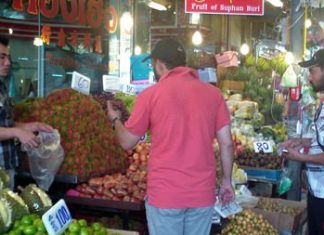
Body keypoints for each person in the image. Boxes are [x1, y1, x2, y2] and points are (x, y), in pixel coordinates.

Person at [107, 38, 234, 235]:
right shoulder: (214, 94)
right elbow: (226, 144)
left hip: (165, 195)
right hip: (202, 195)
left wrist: (115, 120)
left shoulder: (150, 96)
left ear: (159, 65)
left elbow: (126, 141)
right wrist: (227, 182)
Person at [0, 35, 53, 187]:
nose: (8, 63)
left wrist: (33, 126)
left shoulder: (2, 88)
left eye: (8, 57)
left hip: (7, 165)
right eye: (2, 57)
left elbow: (6, 124)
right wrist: (17, 133)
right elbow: (11, 130)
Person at [281, 49, 324, 235]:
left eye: (313, 71)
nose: (309, 77)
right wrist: (301, 141)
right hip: (317, 192)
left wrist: (298, 156)